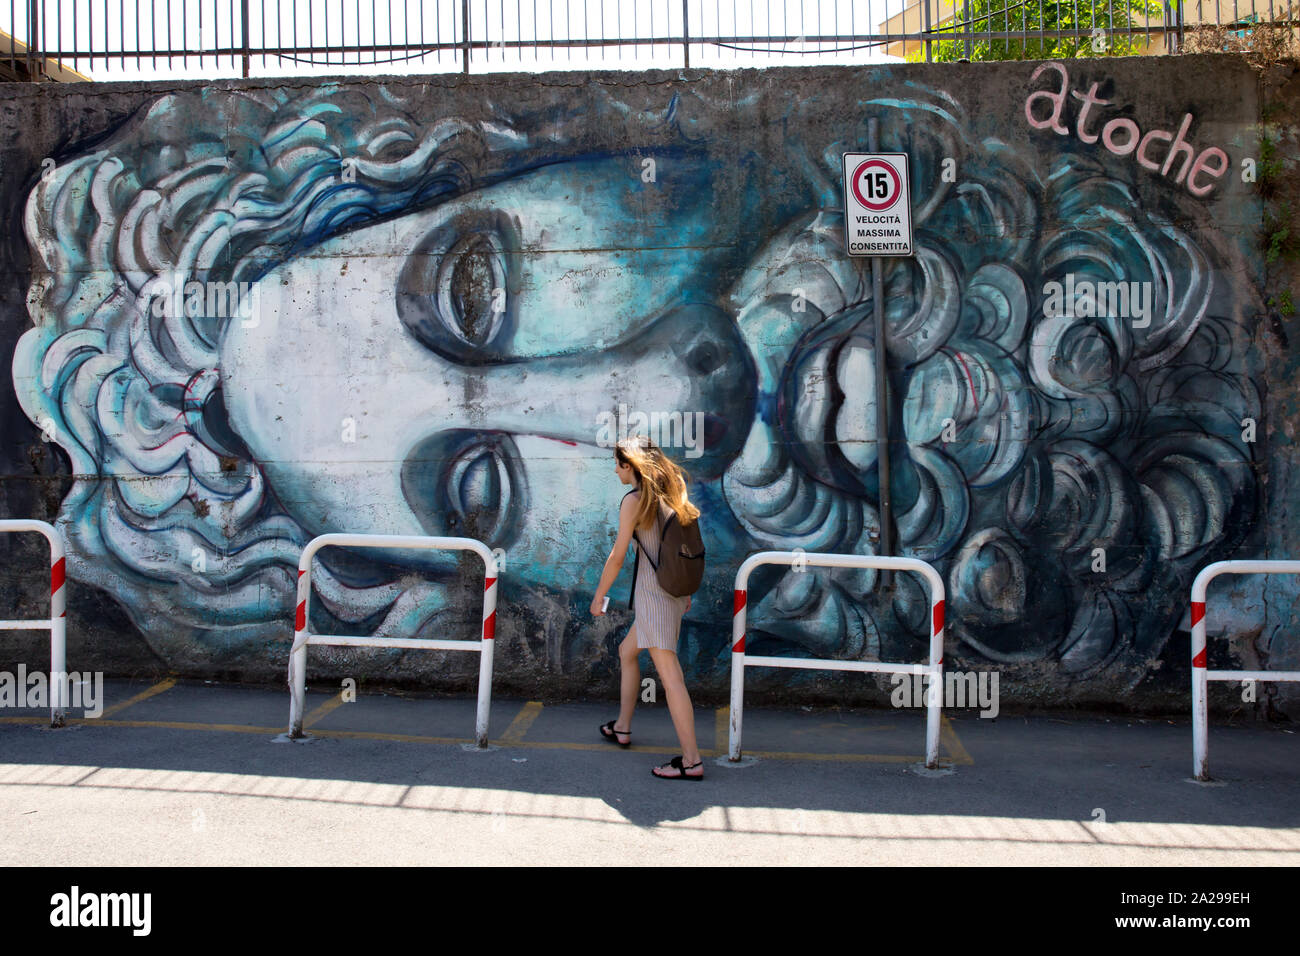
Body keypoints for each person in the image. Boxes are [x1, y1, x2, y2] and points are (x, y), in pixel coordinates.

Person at [590, 435, 704, 780]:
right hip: (669, 595)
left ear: (632, 466)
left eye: (619, 464)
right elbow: (674, 549)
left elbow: (617, 556)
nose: (615, 470)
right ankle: (623, 726)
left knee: (671, 679)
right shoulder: (669, 495)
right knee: (627, 651)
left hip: (654, 599)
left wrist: (599, 597)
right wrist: (683, 593)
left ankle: (691, 760)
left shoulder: (634, 502)